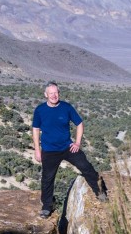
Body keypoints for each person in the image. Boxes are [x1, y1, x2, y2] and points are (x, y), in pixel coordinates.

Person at [32, 81, 107, 219]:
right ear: (45, 95)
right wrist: (37, 150)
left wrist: (77, 143)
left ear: (59, 93)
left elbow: (79, 123)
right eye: (51, 93)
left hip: (67, 147)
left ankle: (101, 192)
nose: (54, 95)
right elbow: (35, 129)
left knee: (86, 167)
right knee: (47, 179)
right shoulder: (40, 110)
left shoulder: (66, 107)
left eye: (56, 92)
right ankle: (47, 207)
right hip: (49, 150)